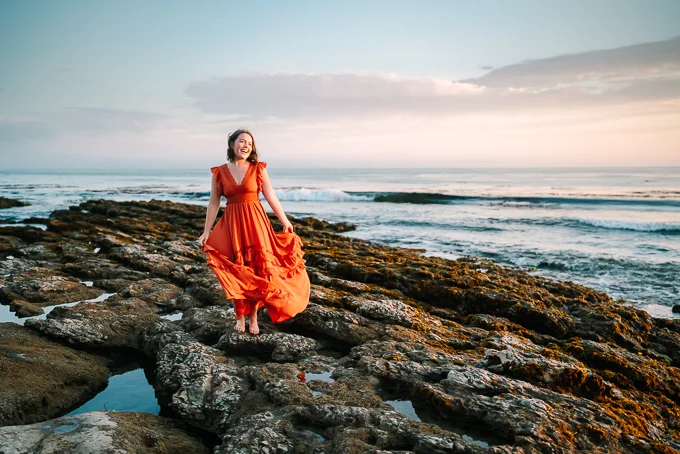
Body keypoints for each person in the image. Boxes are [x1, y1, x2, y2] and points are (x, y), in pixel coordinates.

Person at [198, 129, 310, 335]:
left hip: (256, 223)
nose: (246, 146)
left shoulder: (258, 168)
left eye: (249, 143)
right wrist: (207, 230)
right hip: (232, 224)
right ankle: (239, 316)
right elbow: (214, 202)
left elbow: (271, 196)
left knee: (258, 269)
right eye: (242, 141)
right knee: (237, 270)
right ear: (232, 144)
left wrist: (285, 221)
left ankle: (253, 317)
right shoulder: (219, 172)